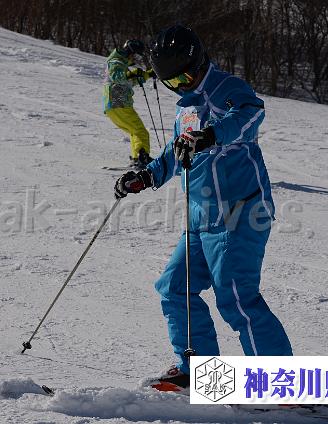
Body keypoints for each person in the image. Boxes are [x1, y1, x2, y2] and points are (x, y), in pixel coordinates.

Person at [114, 25, 293, 391]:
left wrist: (211, 134)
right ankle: (200, 372)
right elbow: (174, 152)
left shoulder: (227, 88)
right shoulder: (187, 107)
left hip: (239, 211)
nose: (181, 86)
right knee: (174, 288)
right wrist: (146, 176)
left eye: (184, 77)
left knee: (236, 298)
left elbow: (251, 115)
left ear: (198, 62)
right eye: (172, 82)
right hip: (200, 217)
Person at [103, 39, 155, 169]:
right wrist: (134, 73)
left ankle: (138, 157)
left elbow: (129, 81)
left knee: (135, 131)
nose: (136, 59)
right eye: (135, 55)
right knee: (141, 131)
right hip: (118, 102)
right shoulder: (116, 62)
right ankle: (142, 158)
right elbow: (118, 77)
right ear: (129, 52)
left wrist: (147, 75)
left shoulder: (120, 64)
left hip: (114, 104)